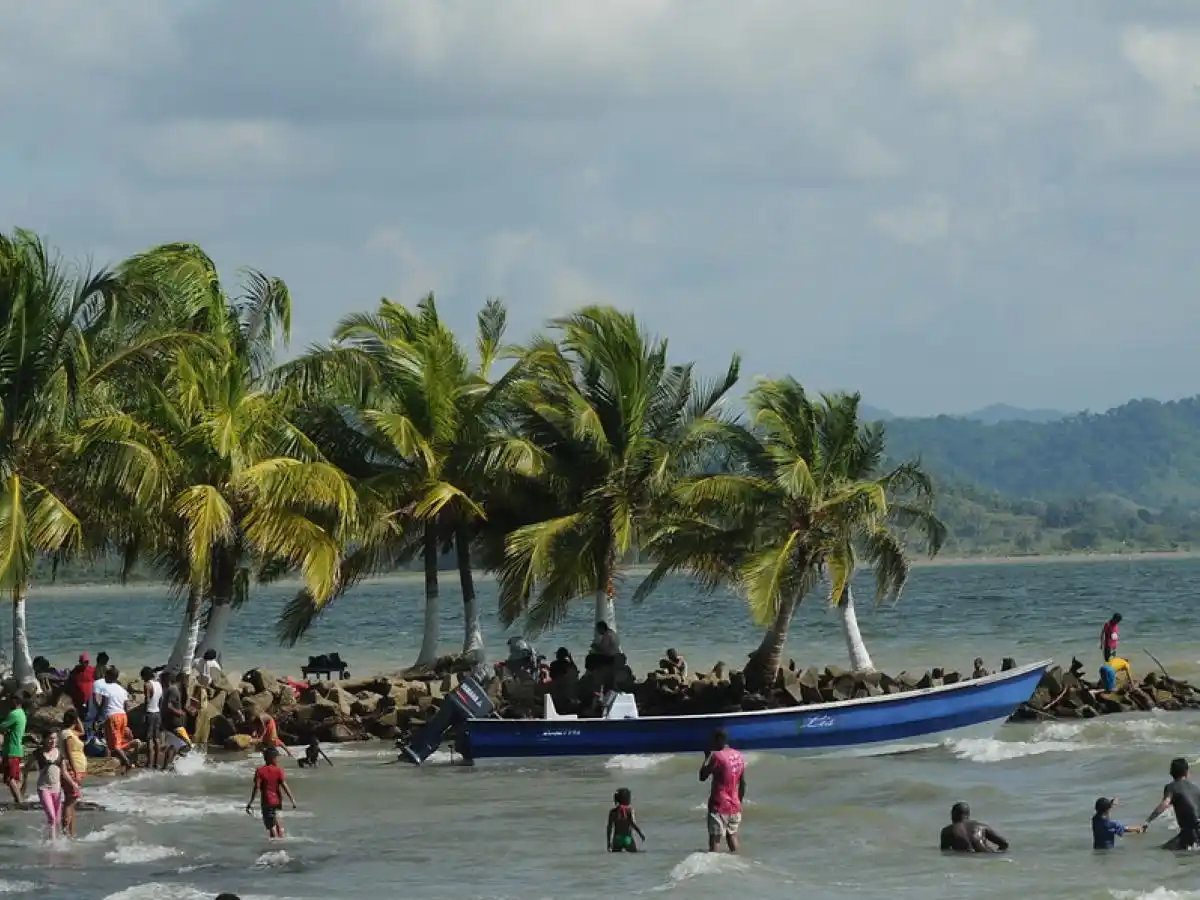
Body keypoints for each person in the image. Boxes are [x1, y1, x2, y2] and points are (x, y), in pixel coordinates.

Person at [22, 731, 76, 841]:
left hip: (57, 789)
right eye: (50, 738)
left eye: (55, 738)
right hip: (43, 788)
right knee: (51, 817)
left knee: (56, 820)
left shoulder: (59, 754)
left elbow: (64, 773)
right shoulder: (38, 753)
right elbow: (26, 768)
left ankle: (52, 839)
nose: (52, 741)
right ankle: (53, 843)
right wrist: (24, 781)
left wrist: (74, 784)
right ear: (45, 739)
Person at [700, 727, 746, 852]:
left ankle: (714, 869)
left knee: (715, 840)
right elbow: (743, 783)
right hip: (735, 804)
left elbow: (702, 776)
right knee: (732, 836)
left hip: (719, 805)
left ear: (718, 740)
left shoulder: (717, 757)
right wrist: (739, 803)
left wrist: (706, 757)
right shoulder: (738, 755)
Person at [1144, 757, 1200, 849]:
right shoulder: (1196, 788)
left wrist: (1148, 821)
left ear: (1171, 773)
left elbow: (1165, 804)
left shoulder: (1171, 787)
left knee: (1161, 850)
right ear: (1186, 772)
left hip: (1190, 833)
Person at [89, 666, 134, 773]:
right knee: (119, 741)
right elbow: (126, 705)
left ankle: (127, 762)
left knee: (113, 745)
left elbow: (103, 704)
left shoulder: (106, 688)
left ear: (109, 676)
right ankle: (122, 765)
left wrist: (98, 717)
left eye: (106, 676)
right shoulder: (121, 689)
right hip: (123, 716)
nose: (104, 678)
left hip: (112, 716)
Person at [246, 747, 296, 838]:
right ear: (272, 758)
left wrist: (250, 802)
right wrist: (292, 800)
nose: (278, 759)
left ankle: (274, 846)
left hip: (267, 802)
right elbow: (285, 786)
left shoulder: (260, 771)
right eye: (277, 757)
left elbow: (256, 787)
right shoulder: (278, 770)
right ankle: (281, 840)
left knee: (271, 826)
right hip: (278, 801)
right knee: (277, 821)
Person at [940, 801, 1009, 853]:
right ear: (968, 814)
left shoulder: (947, 830)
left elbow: (945, 852)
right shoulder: (982, 827)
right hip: (987, 856)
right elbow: (1004, 844)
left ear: (952, 815)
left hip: (966, 860)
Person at [60, 710, 87, 838]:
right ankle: (65, 832)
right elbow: (69, 753)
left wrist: (77, 718)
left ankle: (71, 833)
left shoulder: (71, 733)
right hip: (72, 769)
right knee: (70, 801)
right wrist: (75, 771)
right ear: (74, 720)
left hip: (77, 769)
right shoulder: (67, 735)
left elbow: (82, 731)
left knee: (72, 801)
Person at [0, 694, 30, 805]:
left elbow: (2, 726)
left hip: (11, 750)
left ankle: (19, 801)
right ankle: (19, 797)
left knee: (9, 778)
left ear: (15, 702)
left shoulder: (14, 714)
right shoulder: (22, 714)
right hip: (17, 749)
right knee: (16, 777)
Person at [159, 670, 191, 770]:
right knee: (187, 746)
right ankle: (180, 767)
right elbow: (169, 706)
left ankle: (166, 768)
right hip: (175, 724)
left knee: (172, 746)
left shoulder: (171, 690)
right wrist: (179, 712)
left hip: (169, 723)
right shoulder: (173, 690)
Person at [606, 787, 646, 852]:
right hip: (628, 839)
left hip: (617, 839)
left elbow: (609, 828)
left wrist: (609, 842)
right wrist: (640, 834)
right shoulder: (630, 810)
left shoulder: (612, 812)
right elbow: (633, 824)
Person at [141, 666, 163, 770]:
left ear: (145, 675)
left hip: (150, 712)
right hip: (157, 712)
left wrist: (144, 714)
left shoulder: (147, 685)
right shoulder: (158, 684)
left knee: (149, 739)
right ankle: (156, 762)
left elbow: (147, 700)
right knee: (157, 738)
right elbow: (160, 699)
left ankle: (149, 763)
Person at [66, 654, 96, 719]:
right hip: (78, 698)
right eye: (84, 661)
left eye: (87, 662)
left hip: (89, 697)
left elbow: (98, 680)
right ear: (80, 662)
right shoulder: (75, 671)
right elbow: (69, 682)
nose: (85, 663)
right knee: (80, 713)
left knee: (89, 714)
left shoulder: (92, 670)